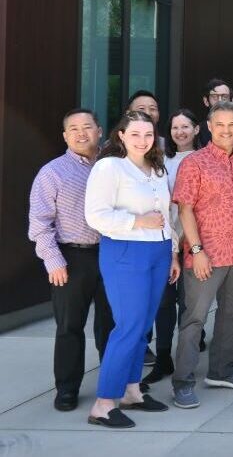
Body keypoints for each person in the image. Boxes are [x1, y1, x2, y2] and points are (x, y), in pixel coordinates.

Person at [83, 111, 177, 428]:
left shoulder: (157, 168)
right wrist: (136, 221)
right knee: (128, 326)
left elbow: (168, 215)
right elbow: (95, 215)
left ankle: (132, 392)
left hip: (159, 250)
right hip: (126, 251)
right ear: (121, 135)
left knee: (143, 326)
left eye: (148, 134)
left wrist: (173, 252)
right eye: (135, 134)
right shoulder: (109, 167)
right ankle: (103, 403)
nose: (142, 140)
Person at [171, 102, 233, 409]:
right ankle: (183, 382)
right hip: (205, 254)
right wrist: (197, 251)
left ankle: (223, 371)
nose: (226, 130)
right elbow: (184, 209)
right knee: (194, 319)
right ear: (209, 126)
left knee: (232, 313)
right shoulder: (194, 163)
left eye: (231, 124)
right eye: (219, 124)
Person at [28, 108, 114, 412]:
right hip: (71, 257)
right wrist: (53, 260)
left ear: (99, 131)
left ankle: (112, 384)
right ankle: (66, 389)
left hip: (111, 255)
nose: (81, 133)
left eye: (87, 127)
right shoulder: (52, 172)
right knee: (69, 326)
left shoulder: (111, 167)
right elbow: (39, 223)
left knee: (111, 324)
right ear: (65, 136)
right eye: (74, 129)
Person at [143, 109, 202, 387]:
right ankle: (164, 356)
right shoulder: (159, 163)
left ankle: (186, 358)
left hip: (197, 241)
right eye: (175, 127)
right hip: (166, 240)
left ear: (197, 129)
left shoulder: (205, 160)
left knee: (190, 303)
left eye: (186, 126)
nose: (181, 132)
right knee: (164, 302)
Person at [196, 78, 233, 146]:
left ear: (232, 101)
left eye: (224, 97)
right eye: (215, 97)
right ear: (206, 101)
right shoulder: (198, 131)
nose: (220, 100)